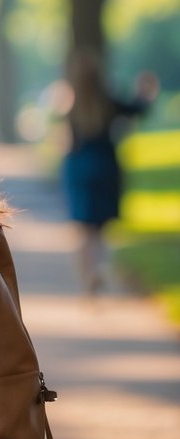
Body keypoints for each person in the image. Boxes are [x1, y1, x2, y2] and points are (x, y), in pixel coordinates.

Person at [59, 49, 158, 295]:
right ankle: (99, 269)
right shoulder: (108, 101)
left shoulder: (70, 104)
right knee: (101, 229)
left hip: (78, 168)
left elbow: (65, 141)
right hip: (105, 166)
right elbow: (138, 109)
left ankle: (87, 278)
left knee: (82, 229)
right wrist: (145, 91)